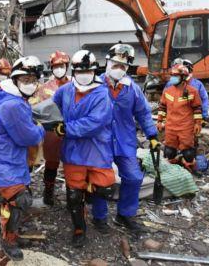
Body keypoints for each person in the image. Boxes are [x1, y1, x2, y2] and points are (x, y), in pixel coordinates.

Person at [0, 56, 45, 261]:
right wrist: (40, 130)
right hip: (3, 159)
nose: (30, 84)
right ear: (16, 80)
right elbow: (26, 137)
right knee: (19, 200)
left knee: (15, 198)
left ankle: (9, 226)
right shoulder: (13, 105)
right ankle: (8, 240)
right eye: (25, 79)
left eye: (33, 79)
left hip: (10, 156)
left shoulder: (15, 98)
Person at [52, 50, 114, 247]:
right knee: (73, 194)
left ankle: (98, 215)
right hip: (73, 152)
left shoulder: (102, 94)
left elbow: (94, 123)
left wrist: (66, 128)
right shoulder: (66, 90)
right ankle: (79, 228)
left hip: (97, 150)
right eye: (80, 70)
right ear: (74, 71)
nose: (84, 74)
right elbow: (51, 107)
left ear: (95, 71)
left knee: (105, 189)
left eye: (88, 70)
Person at [101, 43, 159, 232]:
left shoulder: (132, 89)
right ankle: (99, 217)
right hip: (101, 141)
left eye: (122, 66)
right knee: (102, 179)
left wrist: (152, 134)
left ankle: (124, 215)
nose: (118, 69)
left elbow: (143, 113)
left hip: (124, 141)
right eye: (115, 64)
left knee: (134, 178)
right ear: (107, 63)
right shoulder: (95, 85)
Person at [35, 50, 71, 206]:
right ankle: (48, 191)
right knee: (51, 163)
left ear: (67, 66)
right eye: (55, 66)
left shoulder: (74, 84)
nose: (58, 69)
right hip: (52, 131)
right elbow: (40, 110)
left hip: (71, 129)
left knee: (72, 163)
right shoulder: (45, 88)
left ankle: (73, 193)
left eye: (61, 65)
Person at [157, 64, 202, 171]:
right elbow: (162, 107)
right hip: (171, 126)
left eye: (176, 75)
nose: (172, 77)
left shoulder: (192, 91)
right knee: (169, 151)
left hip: (186, 127)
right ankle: (174, 170)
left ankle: (189, 170)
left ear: (183, 77)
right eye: (172, 75)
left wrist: (198, 123)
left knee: (188, 153)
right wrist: (159, 121)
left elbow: (197, 109)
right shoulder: (168, 91)